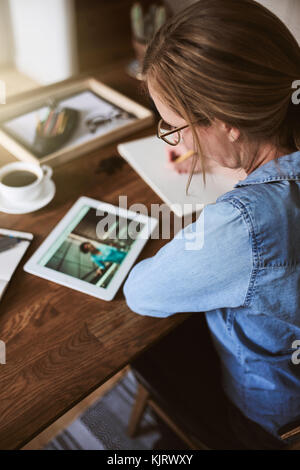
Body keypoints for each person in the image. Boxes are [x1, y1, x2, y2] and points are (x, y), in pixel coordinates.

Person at [123, 0, 300, 448]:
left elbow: (142, 293)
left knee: (149, 350)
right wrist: (216, 152)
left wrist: (223, 212)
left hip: (274, 421)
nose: (176, 140)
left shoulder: (247, 223)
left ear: (225, 123)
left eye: (173, 126)